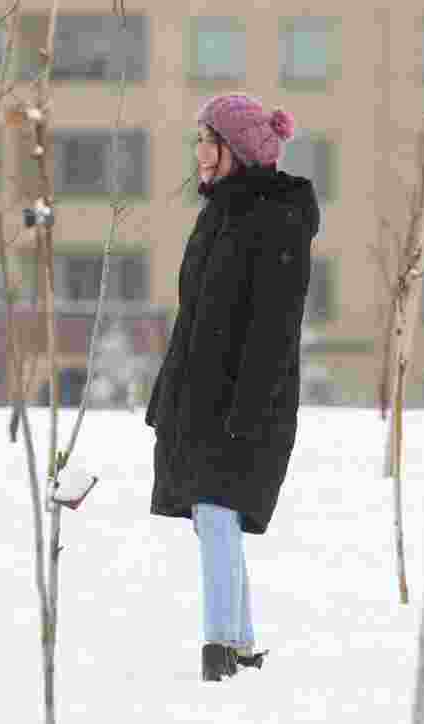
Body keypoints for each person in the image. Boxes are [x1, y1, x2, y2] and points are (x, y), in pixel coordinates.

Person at [145, 93, 320, 682]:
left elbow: (273, 327)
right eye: (198, 139)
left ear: (236, 151)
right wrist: (168, 397)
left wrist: (245, 412)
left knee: (219, 514)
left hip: (245, 405)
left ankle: (221, 648)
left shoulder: (276, 219)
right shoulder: (217, 213)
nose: (198, 153)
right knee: (212, 517)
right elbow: (195, 319)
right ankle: (239, 645)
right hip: (200, 399)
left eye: (208, 140)